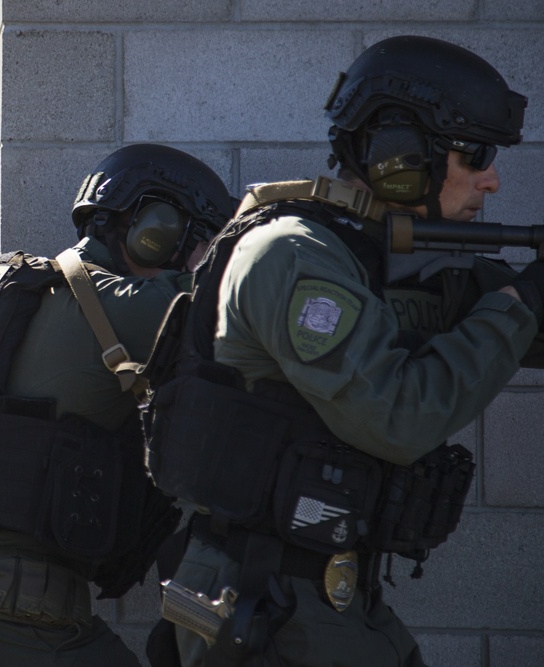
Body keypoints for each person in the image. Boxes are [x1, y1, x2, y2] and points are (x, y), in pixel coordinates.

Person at [146, 35, 542, 667]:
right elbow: (399, 417)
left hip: (317, 594)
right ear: (401, 157)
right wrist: (521, 303)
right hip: (263, 598)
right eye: (475, 154)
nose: (492, 179)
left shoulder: (378, 262)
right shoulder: (293, 255)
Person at [0, 143, 234, 666]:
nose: (193, 257)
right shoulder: (111, 303)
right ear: (157, 229)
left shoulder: (4, 289)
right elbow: (226, 307)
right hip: (21, 616)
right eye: (192, 243)